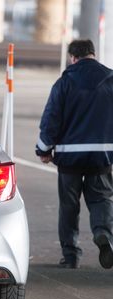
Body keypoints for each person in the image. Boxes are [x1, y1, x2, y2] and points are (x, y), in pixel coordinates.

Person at [36, 39, 113, 269]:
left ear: (72, 57)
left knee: (69, 206)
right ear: (93, 54)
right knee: (101, 199)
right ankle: (104, 235)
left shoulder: (64, 82)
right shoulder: (110, 80)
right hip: (102, 155)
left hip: (70, 157)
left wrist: (44, 149)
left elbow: (51, 119)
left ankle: (70, 256)